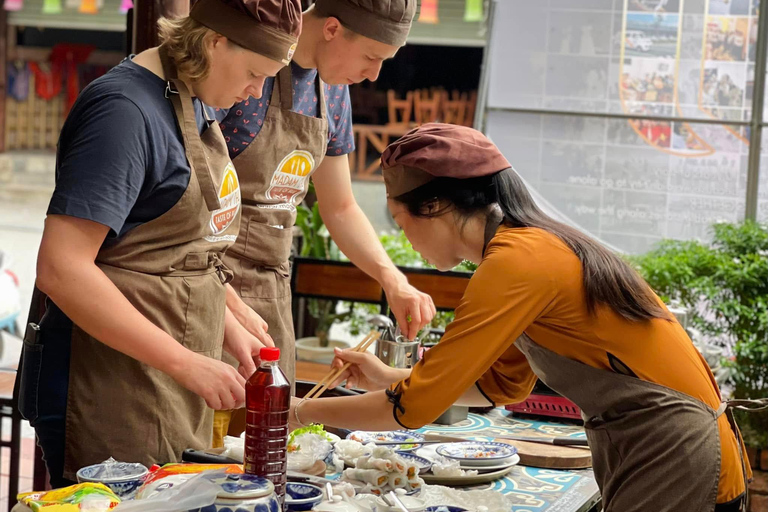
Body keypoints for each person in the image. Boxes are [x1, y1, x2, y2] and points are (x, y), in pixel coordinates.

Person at [289, 124, 759, 512]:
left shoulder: (516, 263)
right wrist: (389, 376)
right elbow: (501, 385)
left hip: (676, 450)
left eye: (400, 219)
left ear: (434, 207)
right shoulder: (525, 248)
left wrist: (298, 412)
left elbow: (413, 409)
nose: (403, 235)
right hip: (656, 444)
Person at [14, 0, 302, 487]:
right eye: (255, 73)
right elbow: (63, 268)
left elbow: (167, 244)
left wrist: (227, 314)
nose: (257, 92)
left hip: (163, 379)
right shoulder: (124, 113)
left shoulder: (189, 96)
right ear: (214, 43)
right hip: (108, 384)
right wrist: (185, 362)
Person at [212, 0, 435, 441]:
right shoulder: (246, 71)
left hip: (272, 287)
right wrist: (221, 299)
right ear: (332, 28)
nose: (374, 75)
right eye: (372, 58)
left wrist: (393, 280)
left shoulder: (333, 90)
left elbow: (340, 206)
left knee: (268, 438)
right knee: (209, 443)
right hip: (209, 282)